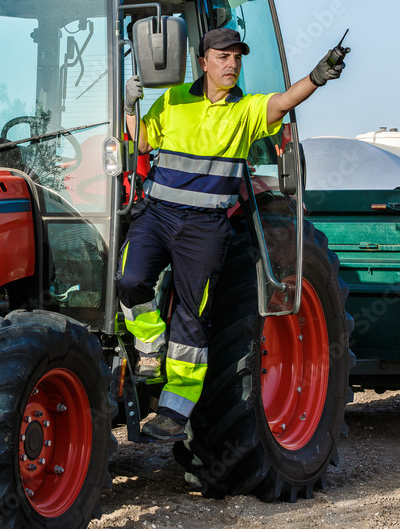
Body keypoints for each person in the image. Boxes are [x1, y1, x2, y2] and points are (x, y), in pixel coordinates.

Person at [116, 27, 346, 441]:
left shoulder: (247, 111)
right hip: (158, 215)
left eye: (237, 57)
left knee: (192, 314)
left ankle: (174, 412)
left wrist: (316, 77)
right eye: (223, 57)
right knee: (130, 279)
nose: (232, 64)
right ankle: (148, 346)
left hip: (206, 227)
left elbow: (283, 101)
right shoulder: (172, 100)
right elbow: (143, 142)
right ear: (203, 62)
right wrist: (129, 106)